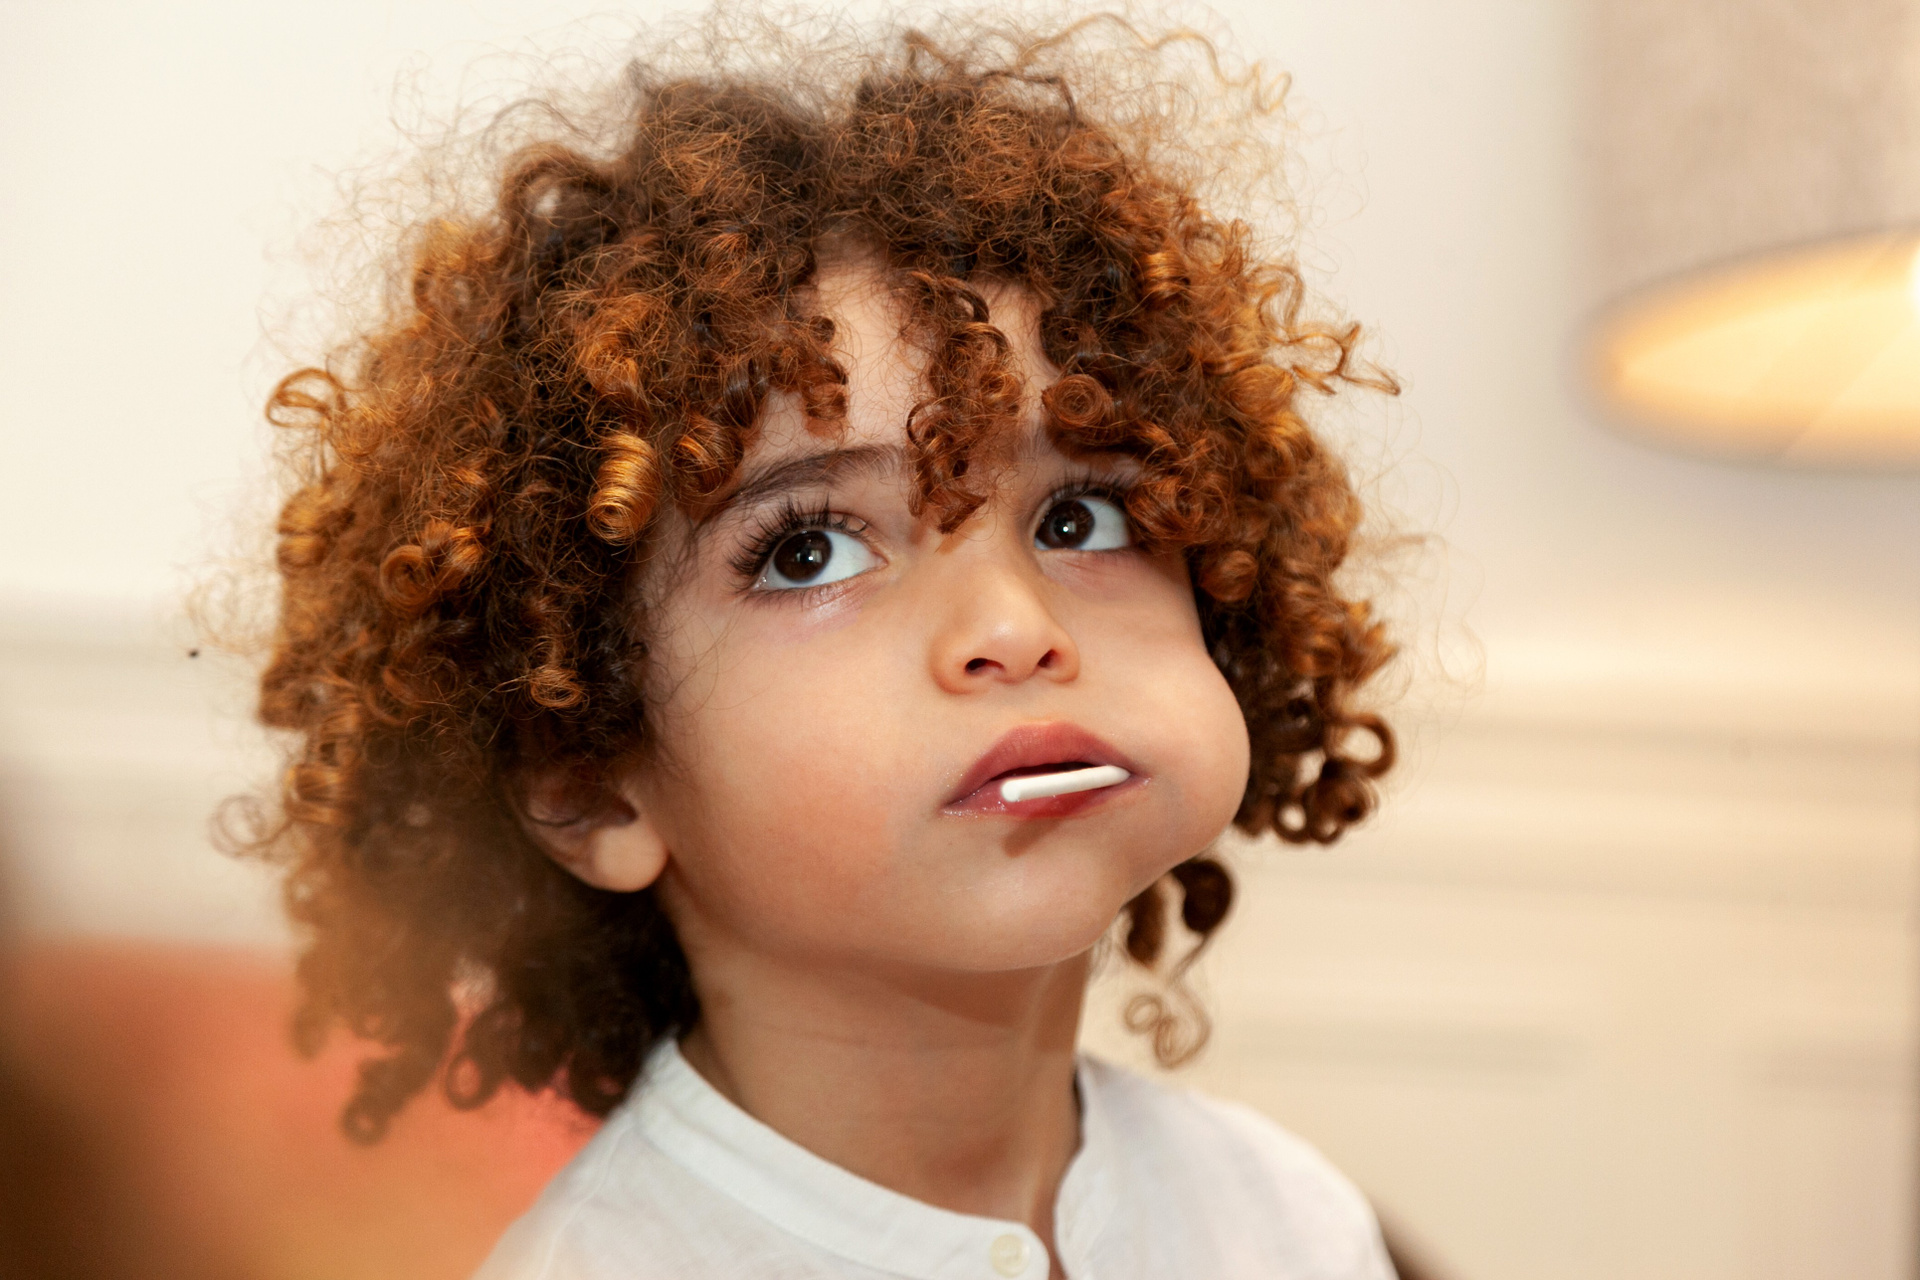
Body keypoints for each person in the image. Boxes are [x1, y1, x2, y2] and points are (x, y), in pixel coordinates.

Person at [247, 11, 1399, 1277]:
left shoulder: (1291, 1221)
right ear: (590, 780)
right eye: (809, 551)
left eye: (1082, 517)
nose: (1015, 627)